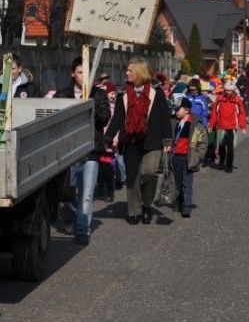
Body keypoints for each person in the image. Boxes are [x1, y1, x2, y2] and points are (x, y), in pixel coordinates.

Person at [105, 57, 173, 225]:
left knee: (149, 173)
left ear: (139, 72)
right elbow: (117, 118)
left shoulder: (155, 92)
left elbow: (165, 117)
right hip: (131, 141)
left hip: (153, 141)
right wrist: (108, 137)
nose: (126, 73)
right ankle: (134, 210)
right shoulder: (123, 94)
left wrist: (167, 141)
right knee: (133, 176)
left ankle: (147, 205)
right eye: (127, 70)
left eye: (130, 70)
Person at [57, 57, 111, 245]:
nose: (83, 76)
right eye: (80, 72)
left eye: (87, 73)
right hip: (68, 151)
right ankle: (71, 218)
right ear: (73, 73)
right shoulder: (63, 94)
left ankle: (82, 230)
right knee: (68, 192)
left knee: (87, 192)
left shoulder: (98, 94)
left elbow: (104, 118)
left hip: (91, 150)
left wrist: (90, 104)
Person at [169, 98, 208, 218]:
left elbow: (203, 142)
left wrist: (198, 156)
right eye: (174, 110)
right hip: (175, 157)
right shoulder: (173, 122)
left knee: (187, 183)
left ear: (186, 110)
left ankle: (186, 207)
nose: (175, 112)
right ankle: (179, 201)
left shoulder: (196, 125)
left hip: (189, 157)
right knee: (178, 182)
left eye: (177, 110)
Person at [208, 81, 247, 173]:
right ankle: (222, 160)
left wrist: (243, 127)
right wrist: (211, 125)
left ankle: (229, 165)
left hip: (232, 128)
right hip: (221, 127)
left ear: (233, 90)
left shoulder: (237, 100)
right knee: (221, 146)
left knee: (230, 148)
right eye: (226, 90)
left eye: (230, 91)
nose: (228, 92)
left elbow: (241, 114)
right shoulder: (219, 99)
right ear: (224, 90)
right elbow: (214, 113)